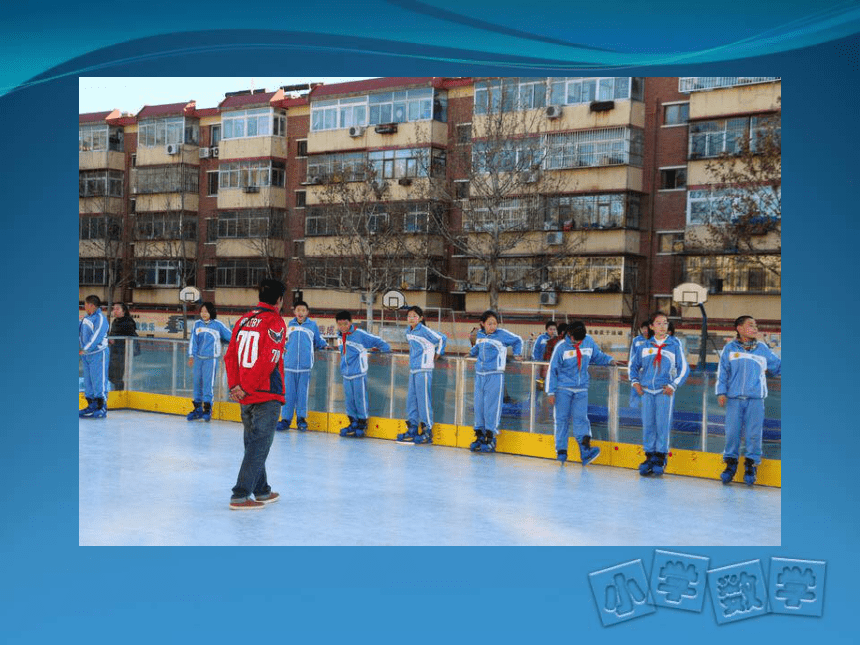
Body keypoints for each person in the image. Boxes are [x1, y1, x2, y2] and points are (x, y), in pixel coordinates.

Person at [224, 279, 288, 510]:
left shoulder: (244, 320)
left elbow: (229, 355)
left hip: (244, 395)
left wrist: (235, 386)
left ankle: (261, 490)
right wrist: (247, 387)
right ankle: (240, 495)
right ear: (280, 300)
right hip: (264, 395)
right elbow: (268, 360)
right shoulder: (275, 321)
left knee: (253, 443)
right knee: (259, 445)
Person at [716, 315, 781, 486]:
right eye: (750, 325)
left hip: (755, 399)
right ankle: (730, 465)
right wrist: (721, 392)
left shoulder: (762, 349)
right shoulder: (729, 349)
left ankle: (751, 465)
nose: (755, 328)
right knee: (732, 433)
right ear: (739, 328)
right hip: (734, 399)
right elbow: (722, 372)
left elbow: (777, 367)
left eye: (756, 325)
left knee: (754, 434)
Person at [545, 320, 615, 464]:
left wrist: (610, 360)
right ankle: (561, 451)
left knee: (581, 419)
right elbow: (552, 370)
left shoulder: (588, 341)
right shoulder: (561, 347)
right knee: (561, 420)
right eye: (575, 339)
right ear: (569, 334)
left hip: (581, 388)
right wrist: (550, 392)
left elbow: (598, 356)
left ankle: (585, 451)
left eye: (580, 340)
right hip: (563, 389)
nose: (577, 342)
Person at [629, 312, 689, 476]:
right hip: (647, 391)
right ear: (651, 326)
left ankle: (661, 457)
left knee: (662, 425)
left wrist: (673, 385)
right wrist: (635, 382)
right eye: (659, 323)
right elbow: (633, 366)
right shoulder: (644, 347)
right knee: (648, 424)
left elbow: (684, 368)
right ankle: (649, 456)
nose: (663, 326)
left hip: (664, 392)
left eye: (665, 323)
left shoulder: (674, 345)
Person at [469, 310, 523, 453]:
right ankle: (479, 435)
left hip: (494, 375)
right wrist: (471, 353)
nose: (493, 326)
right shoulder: (480, 335)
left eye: (494, 323)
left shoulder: (502, 334)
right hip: (480, 374)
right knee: (479, 405)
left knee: (491, 406)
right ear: (482, 324)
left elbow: (518, 340)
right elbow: (478, 347)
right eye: (489, 323)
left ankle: (490, 436)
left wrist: (517, 354)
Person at [335, 310, 391, 438]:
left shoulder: (359, 334)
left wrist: (385, 350)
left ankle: (362, 423)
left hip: (359, 374)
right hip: (346, 374)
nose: (343, 327)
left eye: (345, 324)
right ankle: (353, 422)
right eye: (340, 324)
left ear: (350, 322)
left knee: (360, 399)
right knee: (349, 400)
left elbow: (377, 340)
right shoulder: (339, 336)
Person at [397, 305, 447, 445]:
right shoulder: (408, 331)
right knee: (411, 400)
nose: (411, 318)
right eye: (409, 316)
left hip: (424, 370)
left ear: (420, 318)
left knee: (423, 400)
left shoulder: (424, 330)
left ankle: (427, 430)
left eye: (414, 316)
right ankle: (412, 427)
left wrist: (438, 354)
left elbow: (442, 338)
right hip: (413, 369)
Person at [277, 300, 328, 432]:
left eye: (303, 310)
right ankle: (286, 420)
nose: (301, 313)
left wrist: (325, 345)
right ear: (294, 312)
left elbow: (318, 340)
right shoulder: (289, 325)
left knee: (302, 394)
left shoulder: (312, 325)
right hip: (289, 366)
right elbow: (283, 342)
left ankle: (301, 419)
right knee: (288, 394)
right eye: (298, 310)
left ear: (307, 312)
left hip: (305, 366)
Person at [187, 302, 232, 422]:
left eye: (206, 311)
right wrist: (191, 355)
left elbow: (230, 336)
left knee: (208, 385)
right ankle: (197, 409)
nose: (203, 314)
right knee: (197, 383)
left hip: (210, 360)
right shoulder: (197, 325)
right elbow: (193, 341)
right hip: (198, 359)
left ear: (211, 312)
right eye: (202, 311)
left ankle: (207, 410)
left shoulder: (218, 325)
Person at [79, 295, 110, 418]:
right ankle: (91, 404)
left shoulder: (100, 319)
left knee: (99, 380)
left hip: (98, 354)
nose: (84, 307)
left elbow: (96, 337)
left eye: (85, 304)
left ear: (91, 305)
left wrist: (85, 349)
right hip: (86, 356)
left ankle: (101, 407)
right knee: (88, 381)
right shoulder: (87, 318)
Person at [108, 302, 137, 391]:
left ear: (123, 311)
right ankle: (117, 390)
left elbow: (131, 337)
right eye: (114, 309)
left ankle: (120, 392)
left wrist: (116, 340)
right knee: (111, 374)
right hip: (114, 352)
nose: (115, 311)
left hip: (123, 353)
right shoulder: (115, 321)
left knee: (118, 375)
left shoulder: (128, 322)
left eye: (117, 309)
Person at [627, 320, 651, 409]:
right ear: (641, 329)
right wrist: (631, 371)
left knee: (648, 392)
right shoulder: (636, 340)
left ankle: (648, 411)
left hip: (649, 372)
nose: (645, 330)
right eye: (643, 328)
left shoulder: (653, 340)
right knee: (635, 390)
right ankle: (633, 410)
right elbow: (632, 356)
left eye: (647, 328)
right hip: (637, 371)